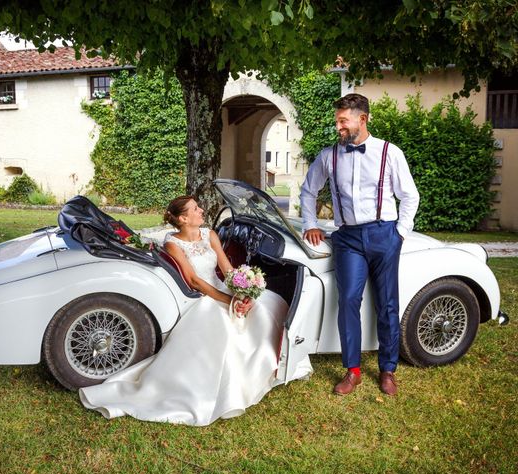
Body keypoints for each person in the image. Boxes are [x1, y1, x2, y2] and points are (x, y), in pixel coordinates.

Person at [79, 195, 307, 425]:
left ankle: (272, 368)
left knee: (269, 304)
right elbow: (195, 281)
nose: (201, 211)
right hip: (203, 297)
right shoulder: (173, 244)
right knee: (225, 327)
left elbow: (227, 269)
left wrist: (242, 292)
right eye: (195, 209)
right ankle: (231, 388)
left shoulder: (210, 235)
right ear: (183, 218)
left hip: (222, 289)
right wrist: (229, 302)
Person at [300, 93, 419, 396]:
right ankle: (352, 370)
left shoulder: (389, 153)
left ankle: (388, 369)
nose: (338, 126)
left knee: (388, 304)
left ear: (362, 119)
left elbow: (410, 196)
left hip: (385, 235)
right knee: (349, 301)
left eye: (343, 121)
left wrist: (400, 233)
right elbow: (308, 190)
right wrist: (310, 223)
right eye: (337, 120)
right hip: (348, 238)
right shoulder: (329, 155)